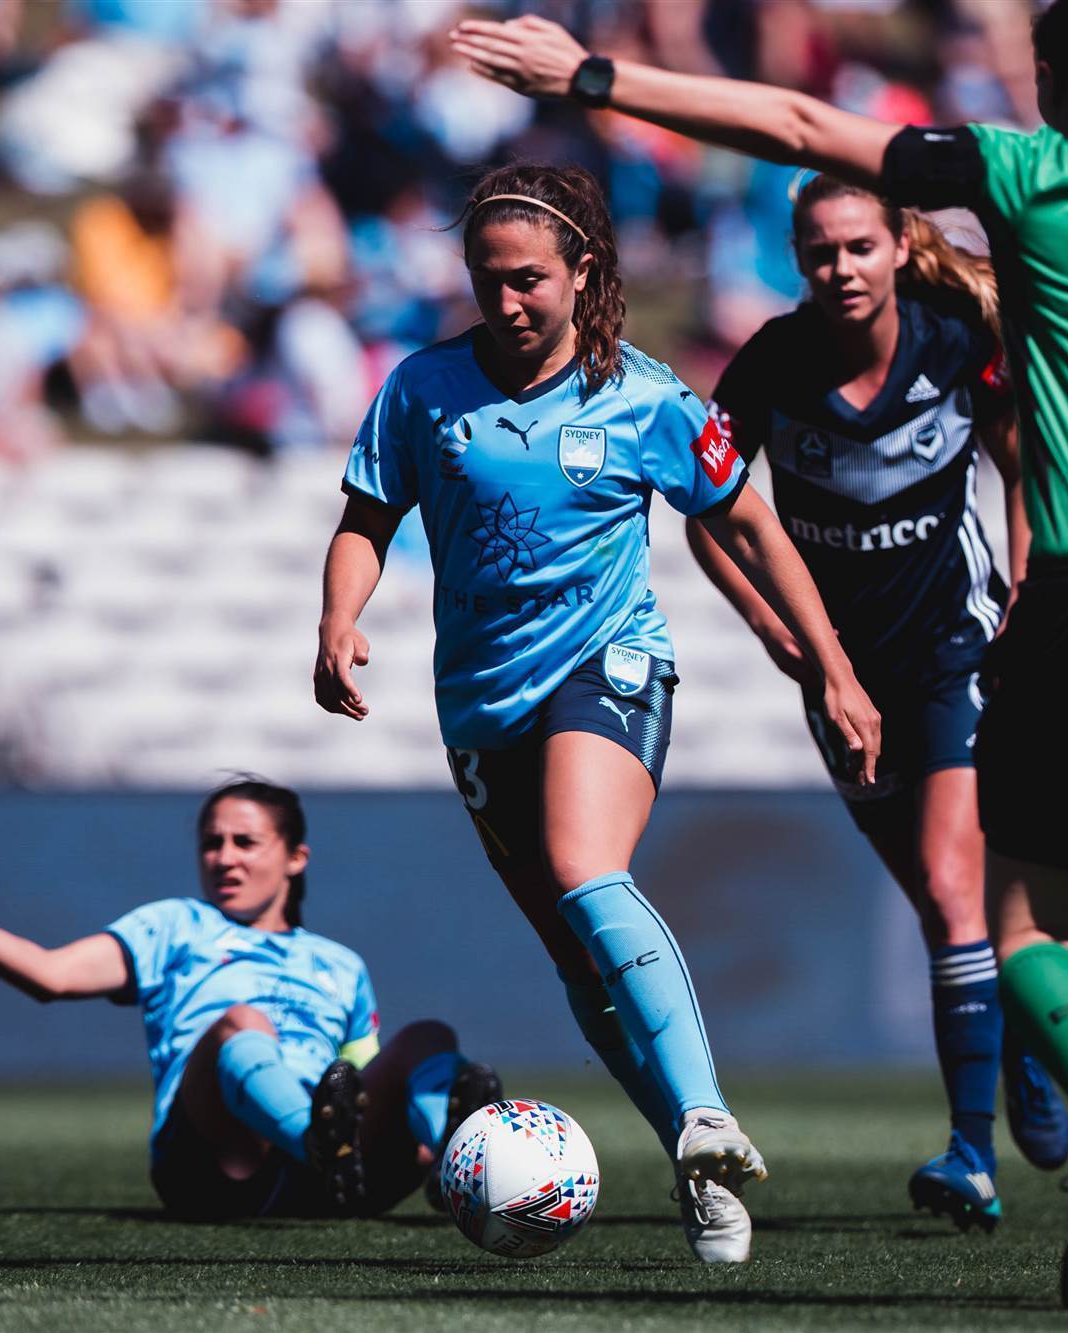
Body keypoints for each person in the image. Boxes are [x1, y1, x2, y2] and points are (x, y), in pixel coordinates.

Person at [452, 0, 1068, 1306]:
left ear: (1038, 83)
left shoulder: (1019, 181)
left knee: (1012, 918)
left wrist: (588, 73)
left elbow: (801, 120)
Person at [316, 162, 882, 1263]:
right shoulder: (421, 390)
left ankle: (707, 1109)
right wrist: (338, 618)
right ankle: (692, 1151)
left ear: (583, 272)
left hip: (605, 665)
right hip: (479, 705)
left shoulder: (647, 399)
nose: (508, 302)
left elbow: (753, 524)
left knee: (587, 872)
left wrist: (833, 668)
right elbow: (365, 516)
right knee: (578, 958)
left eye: (529, 278)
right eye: (489, 281)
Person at [686, 172, 1068, 1230]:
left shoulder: (953, 341)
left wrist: (1024, 585)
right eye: (819, 253)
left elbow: (1017, 459)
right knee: (938, 907)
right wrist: (779, 636)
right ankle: (1026, 1037)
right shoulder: (766, 365)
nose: (840, 269)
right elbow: (707, 517)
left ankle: (967, 1155)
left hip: (948, 653)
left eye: (858, 247)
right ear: (795, 259)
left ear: (899, 246)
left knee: (954, 891)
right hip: (837, 676)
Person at [0, 777, 503, 1219]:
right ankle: (317, 1140)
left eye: (245, 841)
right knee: (239, 1023)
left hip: (334, 1175)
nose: (224, 857)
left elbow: (360, 1076)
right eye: (212, 842)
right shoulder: (173, 925)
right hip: (218, 1161)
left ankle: (456, 1163)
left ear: (295, 856)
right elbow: (51, 975)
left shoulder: (339, 963)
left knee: (428, 1038)